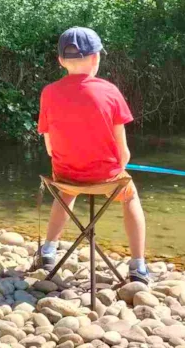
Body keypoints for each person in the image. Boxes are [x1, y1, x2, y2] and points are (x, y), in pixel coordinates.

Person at [37, 27, 150, 283]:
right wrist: (115, 165)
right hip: (105, 179)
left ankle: (48, 250)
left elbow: (49, 148)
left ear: (61, 61)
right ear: (96, 58)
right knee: (130, 195)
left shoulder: (49, 93)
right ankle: (138, 266)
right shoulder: (109, 91)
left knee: (65, 192)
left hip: (65, 176)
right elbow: (124, 153)